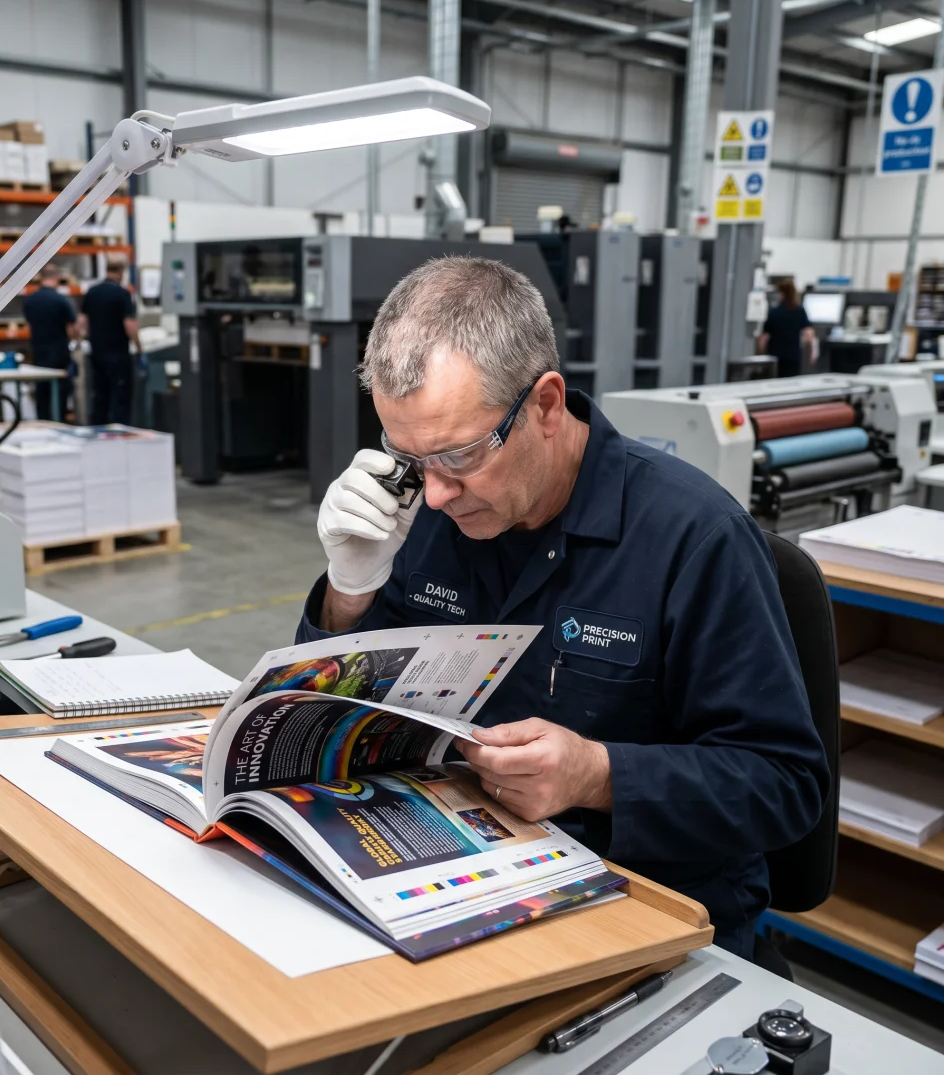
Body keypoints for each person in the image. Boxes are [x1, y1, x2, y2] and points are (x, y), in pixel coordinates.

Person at [298, 256, 829, 960]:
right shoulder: (427, 508)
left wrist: (600, 776)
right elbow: (351, 721)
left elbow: (785, 785)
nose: (434, 495)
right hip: (454, 876)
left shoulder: (693, 538)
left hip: (644, 909)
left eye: (458, 455)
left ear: (546, 405)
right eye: (409, 456)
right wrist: (348, 590)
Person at [78, 261, 141, 424]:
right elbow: (129, 324)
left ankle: (98, 431)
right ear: (121, 272)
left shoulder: (92, 292)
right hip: (118, 354)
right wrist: (140, 348)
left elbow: (82, 322)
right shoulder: (122, 294)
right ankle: (119, 432)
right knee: (120, 397)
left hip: (97, 353)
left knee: (100, 395)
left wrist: (86, 339)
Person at [22, 263, 76, 422]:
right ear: (57, 278)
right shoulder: (61, 300)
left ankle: (42, 423)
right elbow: (72, 327)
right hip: (59, 352)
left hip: (38, 351)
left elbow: (29, 323)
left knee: (42, 391)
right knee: (60, 391)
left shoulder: (30, 301)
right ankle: (59, 422)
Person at [758, 279, 815, 377]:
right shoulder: (799, 311)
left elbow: (764, 338)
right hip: (793, 357)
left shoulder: (774, 312)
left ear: (782, 293)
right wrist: (811, 353)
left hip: (775, 356)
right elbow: (809, 335)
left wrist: (760, 355)